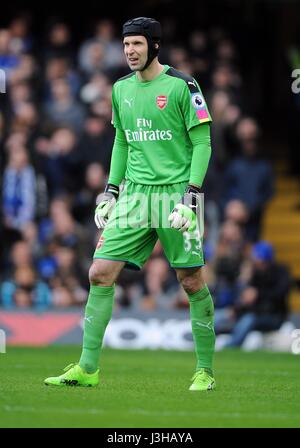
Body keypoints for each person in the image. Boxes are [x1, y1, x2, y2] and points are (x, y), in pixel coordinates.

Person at [45, 17, 215, 391]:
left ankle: (205, 370)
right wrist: (111, 190)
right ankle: (88, 369)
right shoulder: (120, 89)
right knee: (98, 273)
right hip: (135, 194)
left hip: (177, 195)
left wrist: (192, 196)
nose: (129, 52)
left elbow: (203, 143)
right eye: (125, 46)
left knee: (190, 281)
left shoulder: (183, 86)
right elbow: (122, 141)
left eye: (136, 44)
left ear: (155, 45)